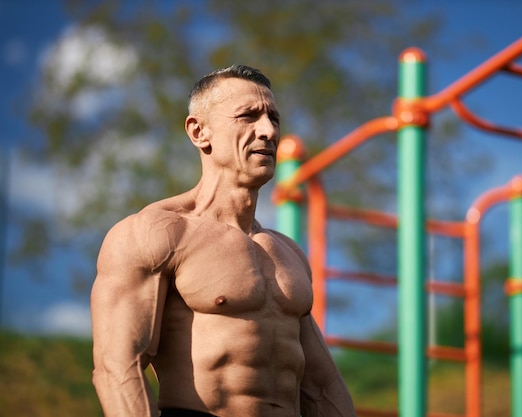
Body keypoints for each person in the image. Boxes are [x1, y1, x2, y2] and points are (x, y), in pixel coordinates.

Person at [90, 65, 357, 417]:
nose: (268, 131)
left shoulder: (288, 254)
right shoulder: (157, 233)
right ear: (200, 132)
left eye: (274, 119)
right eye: (249, 116)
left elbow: (321, 387)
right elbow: (118, 368)